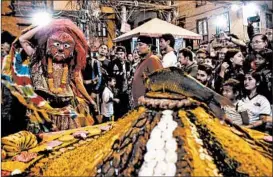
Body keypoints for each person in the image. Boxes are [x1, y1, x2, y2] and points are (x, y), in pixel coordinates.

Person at [3, 19, 96, 132]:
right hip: (44, 112)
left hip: (66, 111)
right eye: (57, 44)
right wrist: (46, 27)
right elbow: (23, 39)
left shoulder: (70, 65)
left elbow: (78, 83)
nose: (61, 48)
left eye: (66, 45)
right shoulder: (37, 59)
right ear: (47, 44)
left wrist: (90, 100)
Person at [132, 36, 163, 107]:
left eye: (140, 45)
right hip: (138, 106)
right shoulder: (142, 61)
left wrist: (147, 98)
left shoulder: (153, 59)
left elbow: (160, 83)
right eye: (137, 45)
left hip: (147, 106)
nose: (137, 47)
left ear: (149, 46)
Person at [108, 46, 131, 118]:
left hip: (126, 90)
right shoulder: (112, 63)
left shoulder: (127, 63)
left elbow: (129, 75)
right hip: (117, 90)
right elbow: (110, 76)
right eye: (118, 54)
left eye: (121, 54)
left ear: (125, 54)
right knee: (117, 111)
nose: (120, 56)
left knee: (126, 110)